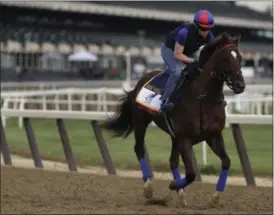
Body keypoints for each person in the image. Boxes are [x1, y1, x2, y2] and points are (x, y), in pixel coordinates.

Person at [160, 9, 216, 113]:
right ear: (196, 26)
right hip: (170, 51)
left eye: (208, 29)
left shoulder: (209, 35)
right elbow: (177, 55)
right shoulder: (184, 32)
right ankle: (165, 101)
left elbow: (213, 52)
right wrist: (192, 61)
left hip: (187, 51)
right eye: (203, 29)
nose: (205, 32)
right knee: (176, 72)